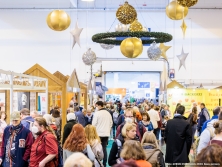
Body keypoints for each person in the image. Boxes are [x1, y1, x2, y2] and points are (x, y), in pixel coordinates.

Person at [92, 101, 113, 167]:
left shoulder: (97, 113)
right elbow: (111, 123)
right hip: (106, 134)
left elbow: (93, 124)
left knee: (96, 148)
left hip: (98, 133)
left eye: (96, 106)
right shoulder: (108, 113)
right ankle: (104, 163)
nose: (96, 107)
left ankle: (98, 163)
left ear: (99, 105)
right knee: (104, 148)